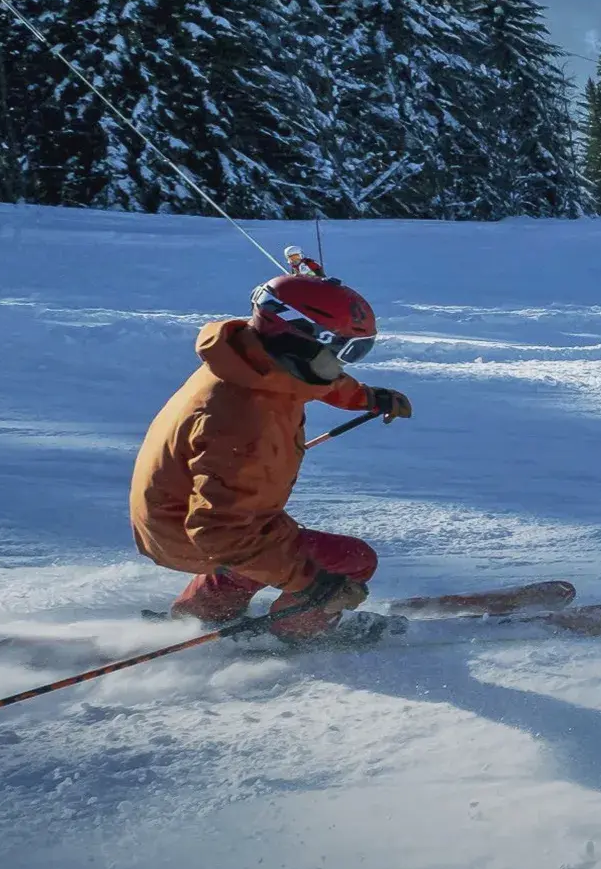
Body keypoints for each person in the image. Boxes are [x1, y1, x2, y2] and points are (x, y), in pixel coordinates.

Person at [130, 256, 413, 643]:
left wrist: (366, 397)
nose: (346, 364)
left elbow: (313, 380)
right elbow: (222, 534)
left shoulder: (251, 360)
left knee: (265, 539)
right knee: (351, 562)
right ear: (301, 340)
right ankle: (296, 633)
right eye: (344, 352)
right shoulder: (246, 419)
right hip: (194, 533)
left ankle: (199, 615)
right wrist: (313, 583)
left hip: (174, 515)